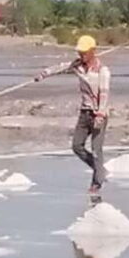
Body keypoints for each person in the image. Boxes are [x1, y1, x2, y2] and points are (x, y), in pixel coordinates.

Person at [36, 34, 110, 195]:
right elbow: (61, 67)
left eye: (84, 52)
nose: (81, 55)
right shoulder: (78, 66)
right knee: (77, 146)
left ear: (92, 51)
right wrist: (43, 74)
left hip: (98, 114)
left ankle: (97, 182)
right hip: (85, 113)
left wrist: (100, 114)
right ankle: (100, 170)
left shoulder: (102, 71)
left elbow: (104, 94)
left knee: (97, 149)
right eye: (80, 52)